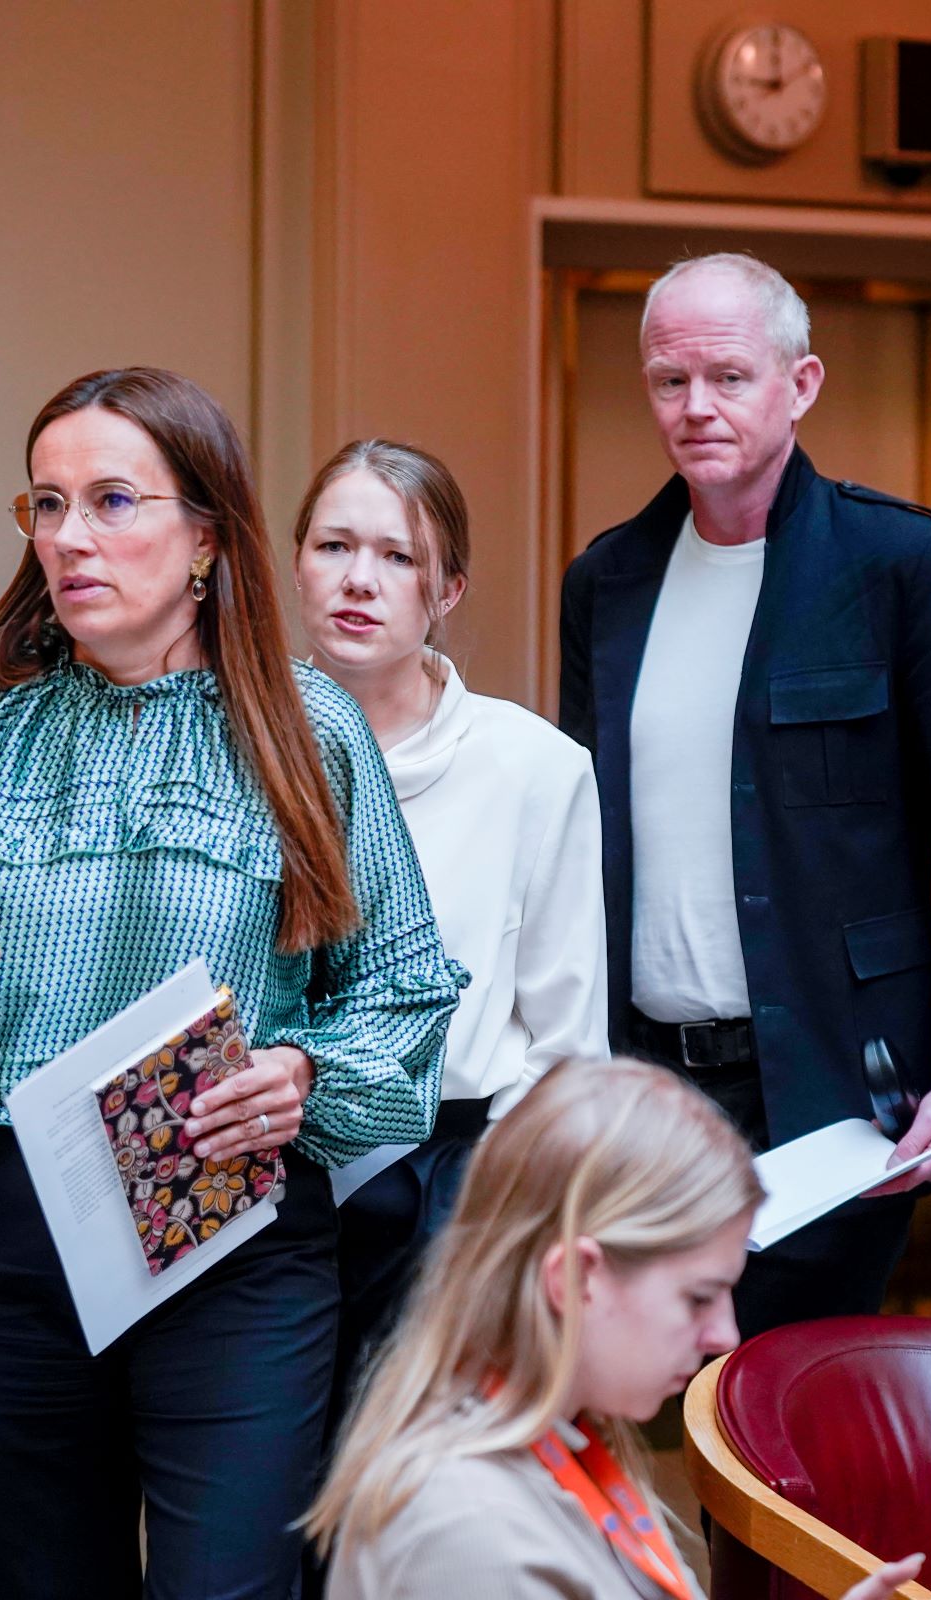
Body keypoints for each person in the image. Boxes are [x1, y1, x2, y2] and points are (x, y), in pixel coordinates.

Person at [0, 368, 466, 1599]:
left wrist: (304, 1072)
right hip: (7, 1227)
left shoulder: (309, 727)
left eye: (112, 501)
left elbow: (403, 991)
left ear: (207, 537)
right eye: (47, 503)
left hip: (226, 1221)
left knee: (225, 1585)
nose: (69, 536)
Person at [557, 251, 931, 1340]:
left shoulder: (899, 564)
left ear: (802, 383)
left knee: (786, 1403)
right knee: (642, 1386)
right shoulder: (607, 582)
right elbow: (581, 847)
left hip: (840, 1093)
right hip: (649, 1086)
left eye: (729, 377)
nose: (697, 406)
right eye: (670, 381)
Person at [308, 1058, 924, 1600]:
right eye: (698, 1297)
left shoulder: (568, 1440)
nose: (725, 1336)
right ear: (576, 1277)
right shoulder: (469, 1532)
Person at [292, 437, 607, 1383]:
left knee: (414, 1465)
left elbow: (567, 1042)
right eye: (333, 546)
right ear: (297, 562)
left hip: (447, 1184)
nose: (360, 580)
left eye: (399, 557)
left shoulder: (535, 767)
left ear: (448, 591)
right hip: (263, 1170)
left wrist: (494, 1218)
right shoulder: (227, 744)